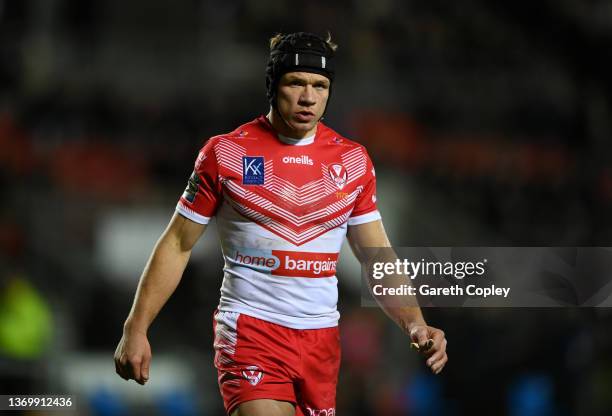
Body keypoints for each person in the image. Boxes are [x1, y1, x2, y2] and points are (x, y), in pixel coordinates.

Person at [114, 31, 448, 416]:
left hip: (321, 341)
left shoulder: (353, 162)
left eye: (320, 85)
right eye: (296, 83)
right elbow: (178, 243)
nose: (309, 97)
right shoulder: (226, 153)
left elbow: (377, 257)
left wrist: (415, 323)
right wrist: (136, 326)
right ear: (274, 85)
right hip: (251, 331)